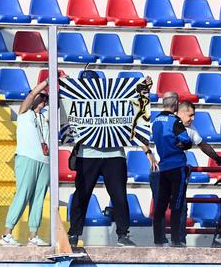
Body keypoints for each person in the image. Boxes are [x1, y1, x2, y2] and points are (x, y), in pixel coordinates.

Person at [67, 75, 158, 248]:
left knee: (119, 196)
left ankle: (123, 234)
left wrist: (142, 87)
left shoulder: (114, 97)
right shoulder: (78, 100)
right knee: (81, 195)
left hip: (114, 154)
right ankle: (74, 233)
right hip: (87, 154)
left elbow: (134, 120)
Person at [155, 101, 221, 244]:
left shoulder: (187, 127)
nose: (193, 118)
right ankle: (167, 240)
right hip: (164, 169)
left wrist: (218, 159)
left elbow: (202, 145)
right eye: (190, 115)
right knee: (168, 205)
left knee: (175, 206)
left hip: (167, 168)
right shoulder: (172, 123)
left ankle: (174, 240)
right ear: (180, 112)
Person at [0, 80, 51, 247]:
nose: (44, 99)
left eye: (46, 98)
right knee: (23, 195)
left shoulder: (45, 116)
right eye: (41, 96)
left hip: (44, 160)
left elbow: (60, 105)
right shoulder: (24, 113)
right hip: (27, 157)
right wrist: (46, 83)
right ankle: (7, 234)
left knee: (38, 198)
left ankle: (33, 235)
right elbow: (31, 95)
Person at [151, 92, 193, 247]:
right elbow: (186, 141)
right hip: (177, 165)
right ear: (175, 103)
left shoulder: (155, 121)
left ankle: (159, 239)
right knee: (177, 203)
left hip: (163, 167)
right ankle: (176, 239)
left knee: (160, 204)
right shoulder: (175, 121)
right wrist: (182, 144)